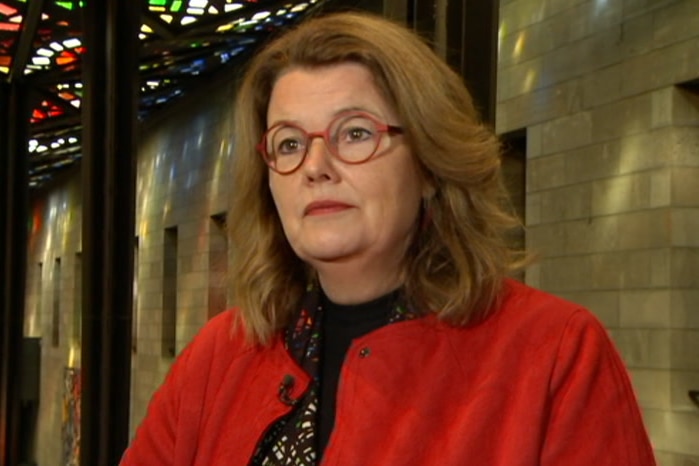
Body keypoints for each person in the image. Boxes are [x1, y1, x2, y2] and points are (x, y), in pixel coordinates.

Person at [120, 11, 657, 466]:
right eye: (288, 144)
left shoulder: (557, 353)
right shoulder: (220, 355)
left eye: (355, 133)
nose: (315, 166)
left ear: (428, 165)